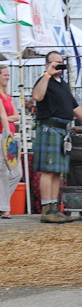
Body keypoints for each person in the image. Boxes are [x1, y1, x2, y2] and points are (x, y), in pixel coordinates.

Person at [31, 51, 82, 223]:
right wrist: (48, 73)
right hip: (49, 128)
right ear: (46, 64)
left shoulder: (62, 84)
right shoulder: (44, 81)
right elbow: (37, 96)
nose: (58, 66)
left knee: (57, 171)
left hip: (62, 130)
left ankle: (54, 207)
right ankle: (46, 209)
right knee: (48, 171)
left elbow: (75, 108)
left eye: (60, 62)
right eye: (54, 62)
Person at [0, 65, 22, 218]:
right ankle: (4, 207)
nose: (7, 77)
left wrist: (6, 120)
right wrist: (8, 132)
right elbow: (4, 116)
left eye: (8, 75)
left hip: (9, 135)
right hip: (4, 135)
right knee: (3, 172)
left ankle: (3, 204)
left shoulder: (8, 96)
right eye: (5, 75)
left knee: (16, 173)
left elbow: (16, 116)